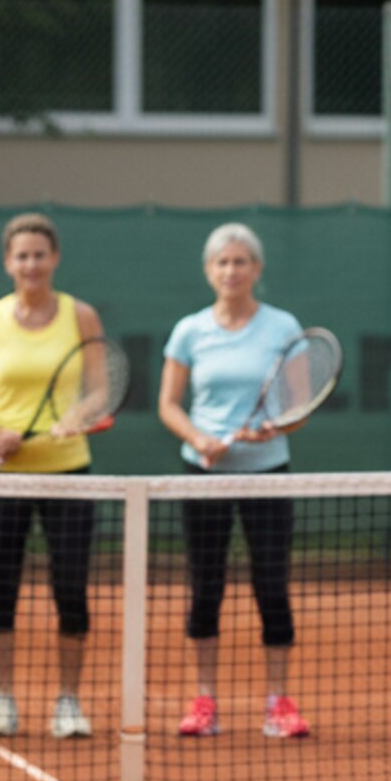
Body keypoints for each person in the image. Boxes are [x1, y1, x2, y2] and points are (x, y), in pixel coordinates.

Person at [0, 212, 108, 740]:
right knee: (1, 590)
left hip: (68, 473)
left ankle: (68, 703)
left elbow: (99, 389)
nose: (32, 264)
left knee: (71, 588)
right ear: (8, 262)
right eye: (22, 255)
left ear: (54, 258)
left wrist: (77, 417)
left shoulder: (81, 316)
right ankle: (4, 702)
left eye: (40, 254)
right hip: (2, 476)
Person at [157, 223, 311, 741]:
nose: (231, 271)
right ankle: (204, 701)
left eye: (241, 261)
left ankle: (279, 703)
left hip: (268, 473)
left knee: (272, 584)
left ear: (257, 270)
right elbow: (169, 405)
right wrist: (200, 440)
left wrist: (273, 427)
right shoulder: (189, 331)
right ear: (209, 271)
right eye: (222, 262)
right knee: (206, 588)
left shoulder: (283, 327)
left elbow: (299, 407)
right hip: (203, 476)